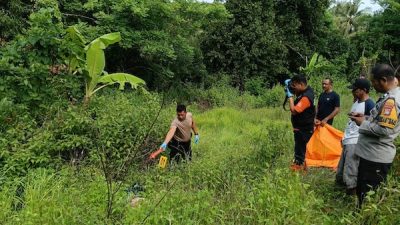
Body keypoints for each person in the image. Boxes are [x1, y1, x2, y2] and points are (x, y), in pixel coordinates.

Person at [350, 64, 400, 206]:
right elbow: (382, 121)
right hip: (370, 155)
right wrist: (365, 117)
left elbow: (385, 130)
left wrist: (362, 123)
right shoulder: (389, 97)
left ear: (383, 80)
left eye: (374, 81)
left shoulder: (392, 101)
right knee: (363, 193)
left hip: (375, 157)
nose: (372, 85)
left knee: (368, 197)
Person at [336, 79, 375, 195]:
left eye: (355, 90)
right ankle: (343, 188)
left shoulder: (369, 104)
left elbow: (372, 123)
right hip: (348, 139)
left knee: (351, 168)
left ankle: (352, 192)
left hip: (356, 140)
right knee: (342, 168)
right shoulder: (356, 102)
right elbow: (351, 123)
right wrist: (344, 137)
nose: (353, 92)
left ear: (364, 90)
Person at [285, 74, 316, 171]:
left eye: (294, 86)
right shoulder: (304, 91)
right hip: (301, 127)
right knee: (301, 149)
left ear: (301, 84)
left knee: (300, 150)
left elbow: (294, 111)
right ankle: (303, 168)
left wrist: (290, 97)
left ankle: (297, 170)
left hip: (304, 129)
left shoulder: (307, 96)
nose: (293, 88)